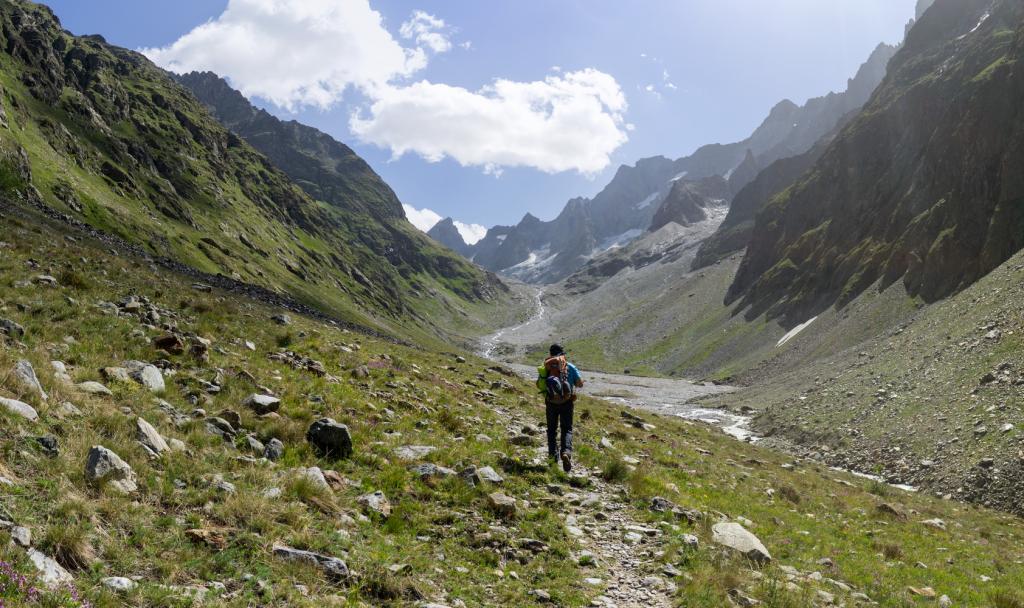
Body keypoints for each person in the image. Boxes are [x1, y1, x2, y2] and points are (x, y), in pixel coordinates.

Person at [536, 344, 584, 472]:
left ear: (550, 353)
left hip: (551, 402)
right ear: (562, 354)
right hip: (567, 402)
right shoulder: (570, 366)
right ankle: (566, 453)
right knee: (567, 428)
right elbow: (579, 384)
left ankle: (552, 460)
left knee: (551, 430)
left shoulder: (546, 366)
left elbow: (539, 385)